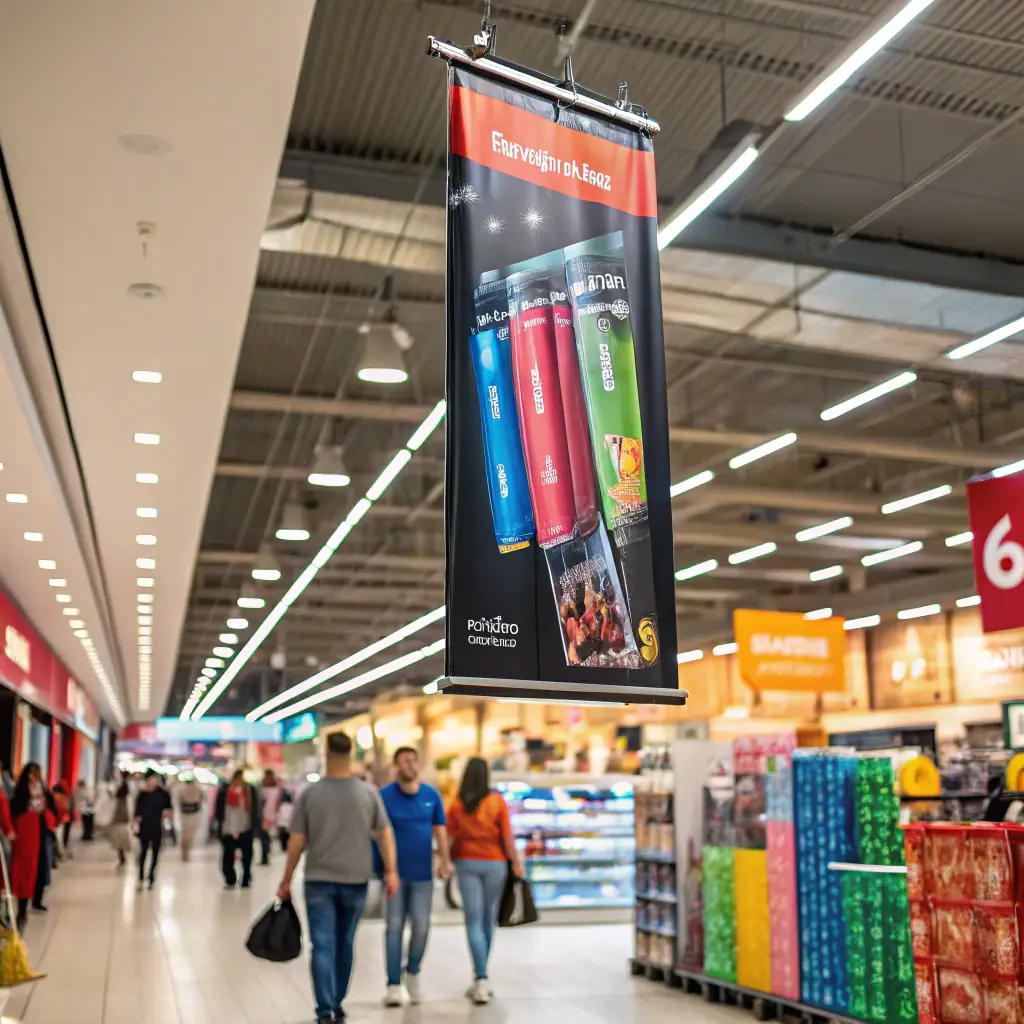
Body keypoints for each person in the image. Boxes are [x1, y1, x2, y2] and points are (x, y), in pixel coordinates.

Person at [277, 732, 399, 1024]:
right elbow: (384, 833)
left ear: (326, 752)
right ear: (352, 752)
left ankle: (325, 1009)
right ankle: (338, 1000)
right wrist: (392, 870)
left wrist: (286, 879)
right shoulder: (368, 792)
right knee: (345, 942)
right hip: (356, 879)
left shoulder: (310, 793)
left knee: (322, 944)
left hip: (318, 879)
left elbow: (296, 840)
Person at [378, 746, 451, 1007]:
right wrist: (384, 869)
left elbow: (440, 828)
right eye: (403, 761)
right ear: (396, 766)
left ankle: (413, 971)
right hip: (394, 874)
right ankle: (393, 983)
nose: (408, 765)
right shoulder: (384, 796)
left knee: (421, 926)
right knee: (394, 926)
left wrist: (445, 860)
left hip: (423, 874)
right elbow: (376, 832)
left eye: (412, 760)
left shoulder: (431, 795)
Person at [446, 757, 522, 1005]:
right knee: (488, 918)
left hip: (467, 863)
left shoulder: (457, 805)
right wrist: (516, 863)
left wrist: (444, 861)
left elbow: (448, 836)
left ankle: (480, 976)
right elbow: (507, 837)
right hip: (495, 864)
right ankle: (482, 977)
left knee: (473, 919)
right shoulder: (496, 802)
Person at [8, 763, 53, 928]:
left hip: (37, 833)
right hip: (24, 834)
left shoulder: (42, 790)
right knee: (21, 870)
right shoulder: (21, 793)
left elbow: (48, 806)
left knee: (35, 869)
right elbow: (15, 809)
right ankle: (19, 906)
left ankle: (31, 901)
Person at [214, 769, 260, 888]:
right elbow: (218, 809)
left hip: (245, 827)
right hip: (228, 827)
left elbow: (255, 808)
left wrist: (256, 825)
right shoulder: (224, 791)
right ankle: (230, 879)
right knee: (228, 854)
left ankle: (245, 878)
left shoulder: (249, 791)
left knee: (247, 855)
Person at [132, 770, 172, 889]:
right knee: (143, 852)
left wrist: (167, 817)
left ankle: (151, 876)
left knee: (155, 852)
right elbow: (137, 813)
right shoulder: (142, 795)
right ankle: (140, 876)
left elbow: (169, 810)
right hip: (144, 826)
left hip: (157, 826)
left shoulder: (163, 794)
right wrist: (135, 825)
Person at [176, 773, 204, 862]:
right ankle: (185, 852)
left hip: (187, 812)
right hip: (192, 812)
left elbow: (179, 800)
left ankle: (185, 852)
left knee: (186, 834)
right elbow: (202, 798)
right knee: (188, 834)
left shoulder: (182, 789)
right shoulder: (197, 788)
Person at [108, 772, 133, 868]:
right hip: (121, 819)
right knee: (120, 838)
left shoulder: (122, 800)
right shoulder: (124, 798)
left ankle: (122, 855)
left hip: (120, 819)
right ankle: (122, 855)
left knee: (120, 837)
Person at [259, 769, 282, 866]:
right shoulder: (277, 790)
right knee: (268, 838)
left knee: (264, 837)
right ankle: (267, 855)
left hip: (264, 815)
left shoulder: (262, 789)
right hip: (272, 816)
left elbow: (261, 803)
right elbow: (278, 803)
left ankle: (265, 857)